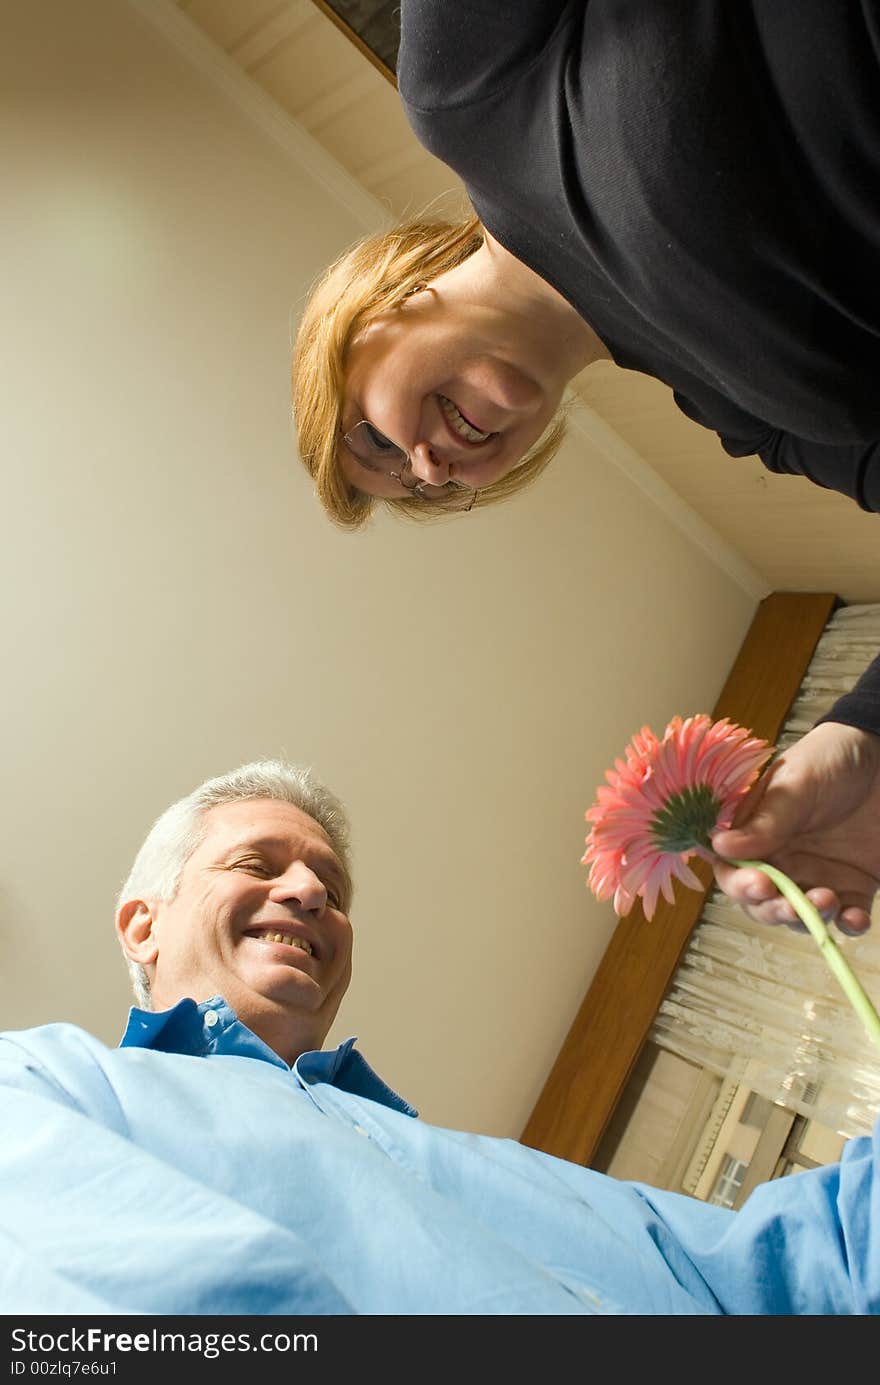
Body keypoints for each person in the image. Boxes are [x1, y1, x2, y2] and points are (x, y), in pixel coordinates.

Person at [291, 1, 880, 938]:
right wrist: (869, 736)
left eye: (376, 439)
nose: (431, 463)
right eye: (426, 487)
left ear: (365, 315)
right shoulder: (738, 413)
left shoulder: (465, 99)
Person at [1, 757, 878, 1315]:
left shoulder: (514, 1177)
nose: (310, 891)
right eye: (259, 866)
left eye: (332, 888)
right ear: (141, 926)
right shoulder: (40, 1084)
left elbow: (809, 1269)